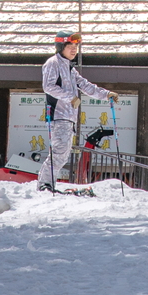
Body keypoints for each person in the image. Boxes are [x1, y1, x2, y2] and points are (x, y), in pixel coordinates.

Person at [39, 32, 108, 191]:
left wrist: (106, 95)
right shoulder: (53, 63)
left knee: (62, 154)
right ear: (60, 47)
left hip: (69, 117)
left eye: (76, 46)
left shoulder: (70, 68)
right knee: (59, 152)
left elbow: (85, 85)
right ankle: (45, 185)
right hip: (58, 115)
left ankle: (48, 184)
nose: (74, 50)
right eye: (70, 46)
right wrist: (71, 97)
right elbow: (48, 87)